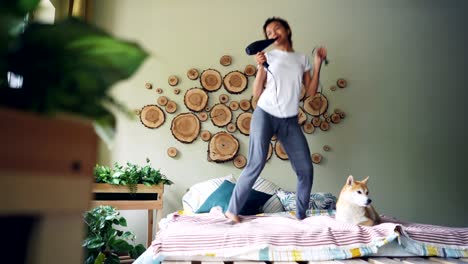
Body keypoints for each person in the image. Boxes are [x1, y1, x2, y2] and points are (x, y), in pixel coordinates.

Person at [225, 17, 327, 223]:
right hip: (265, 113)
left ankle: (300, 216)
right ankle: (232, 211)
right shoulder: (267, 56)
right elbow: (256, 93)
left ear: (287, 30)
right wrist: (261, 67)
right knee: (256, 162)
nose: (273, 34)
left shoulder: (301, 59)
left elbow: (312, 91)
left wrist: (317, 63)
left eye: (276, 29)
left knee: (305, 168)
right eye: (269, 33)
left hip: (289, 120)